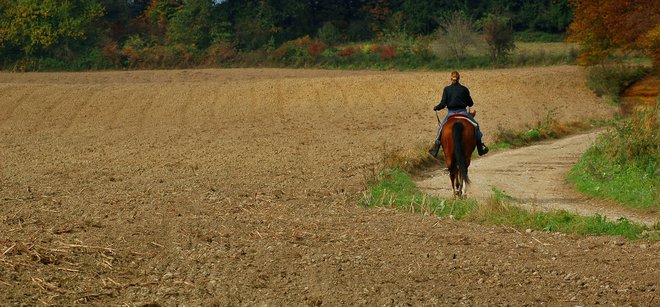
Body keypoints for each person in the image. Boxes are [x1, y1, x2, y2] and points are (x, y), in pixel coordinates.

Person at [429, 71, 489, 157]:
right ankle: (480, 148)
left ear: (451, 78)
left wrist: (436, 107)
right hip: (463, 112)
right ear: (459, 78)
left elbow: (443, 104)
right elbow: (471, 103)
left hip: (451, 113)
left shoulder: (447, 89)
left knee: (441, 128)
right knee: (476, 126)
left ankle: (436, 148)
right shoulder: (464, 89)